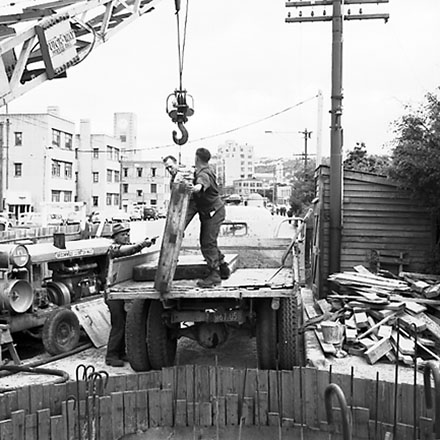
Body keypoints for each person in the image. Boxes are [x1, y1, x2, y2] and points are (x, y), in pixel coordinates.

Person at [105, 222, 157, 367]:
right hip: (111, 291)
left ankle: (121, 353)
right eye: (123, 234)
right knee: (118, 324)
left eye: (127, 233)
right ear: (115, 237)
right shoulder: (112, 248)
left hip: (120, 289)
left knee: (125, 322)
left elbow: (132, 248)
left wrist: (145, 243)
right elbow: (128, 250)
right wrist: (143, 244)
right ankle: (111, 356)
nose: (126, 236)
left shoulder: (126, 246)